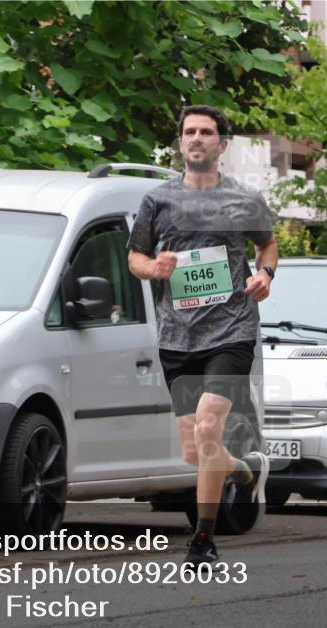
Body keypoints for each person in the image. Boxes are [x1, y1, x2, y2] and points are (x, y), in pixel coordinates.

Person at [126, 104, 278, 567]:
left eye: (206, 132)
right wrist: (155, 268)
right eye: (189, 132)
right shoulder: (158, 201)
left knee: (211, 427)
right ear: (180, 143)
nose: (196, 138)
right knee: (196, 450)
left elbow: (266, 244)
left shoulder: (244, 199)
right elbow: (135, 258)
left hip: (231, 329)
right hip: (177, 335)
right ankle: (241, 468)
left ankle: (202, 540)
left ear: (221, 145)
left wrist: (265, 275)